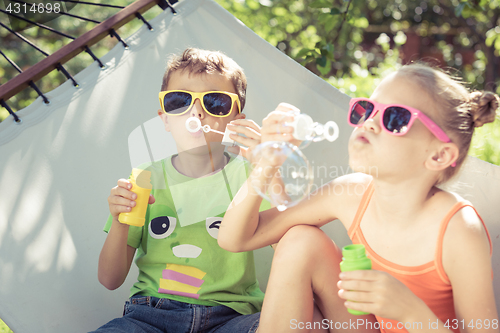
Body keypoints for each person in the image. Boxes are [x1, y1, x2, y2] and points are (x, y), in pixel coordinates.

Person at [218, 63, 500, 333]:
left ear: (439, 155)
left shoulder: (458, 229)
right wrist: (267, 162)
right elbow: (236, 239)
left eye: (395, 117)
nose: (369, 123)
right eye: (365, 109)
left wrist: (410, 312)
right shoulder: (351, 194)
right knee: (299, 241)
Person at [91, 48, 270, 333]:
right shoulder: (146, 178)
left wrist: (267, 168)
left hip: (232, 317)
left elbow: (288, 242)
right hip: (149, 316)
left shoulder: (250, 175)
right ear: (164, 118)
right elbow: (110, 278)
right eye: (179, 100)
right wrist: (118, 220)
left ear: (236, 120)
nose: (196, 111)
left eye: (215, 102)